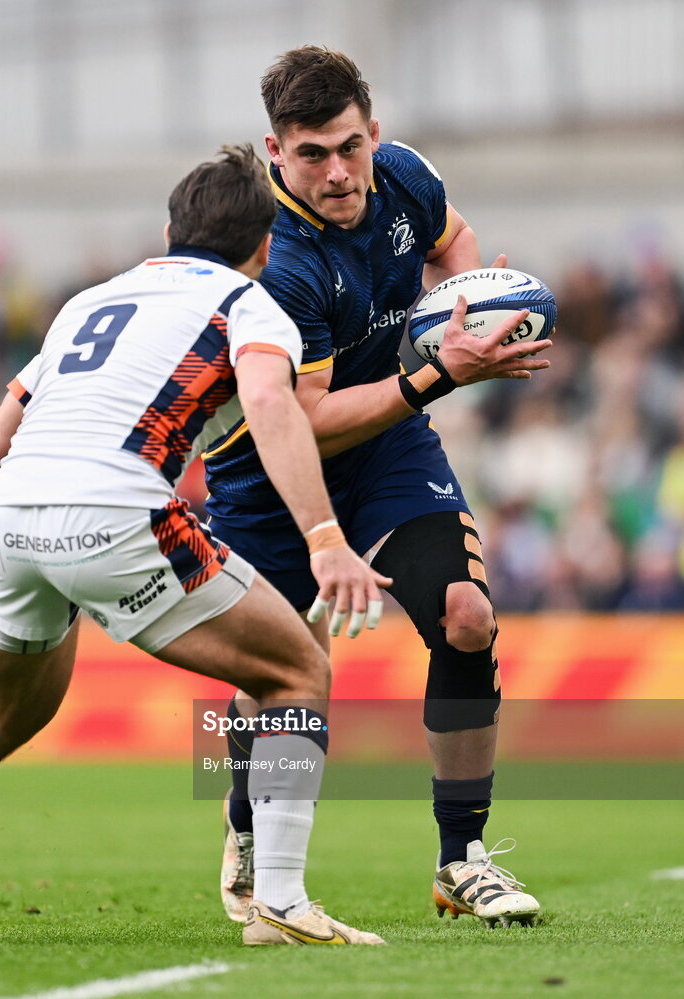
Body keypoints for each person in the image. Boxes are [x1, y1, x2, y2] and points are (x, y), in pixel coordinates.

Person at [0, 144, 391, 947]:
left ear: (169, 230)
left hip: (12, 514)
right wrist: (325, 538)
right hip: (119, 506)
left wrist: (9, 571)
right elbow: (273, 407)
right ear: (264, 247)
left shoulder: (86, 303)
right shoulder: (250, 305)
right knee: (298, 669)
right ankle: (281, 903)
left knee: (2, 713)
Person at [205, 48, 551, 929]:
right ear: (275, 151)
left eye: (350, 147)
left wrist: (467, 308)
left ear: (376, 133)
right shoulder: (275, 261)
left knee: (467, 614)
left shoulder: (404, 178)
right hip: (272, 470)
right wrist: (441, 373)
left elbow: (456, 241)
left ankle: (462, 859)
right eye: (312, 153)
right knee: (282, 668)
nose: (338, 171)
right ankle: (244, 816)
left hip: (390, 447)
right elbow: (308, 418)